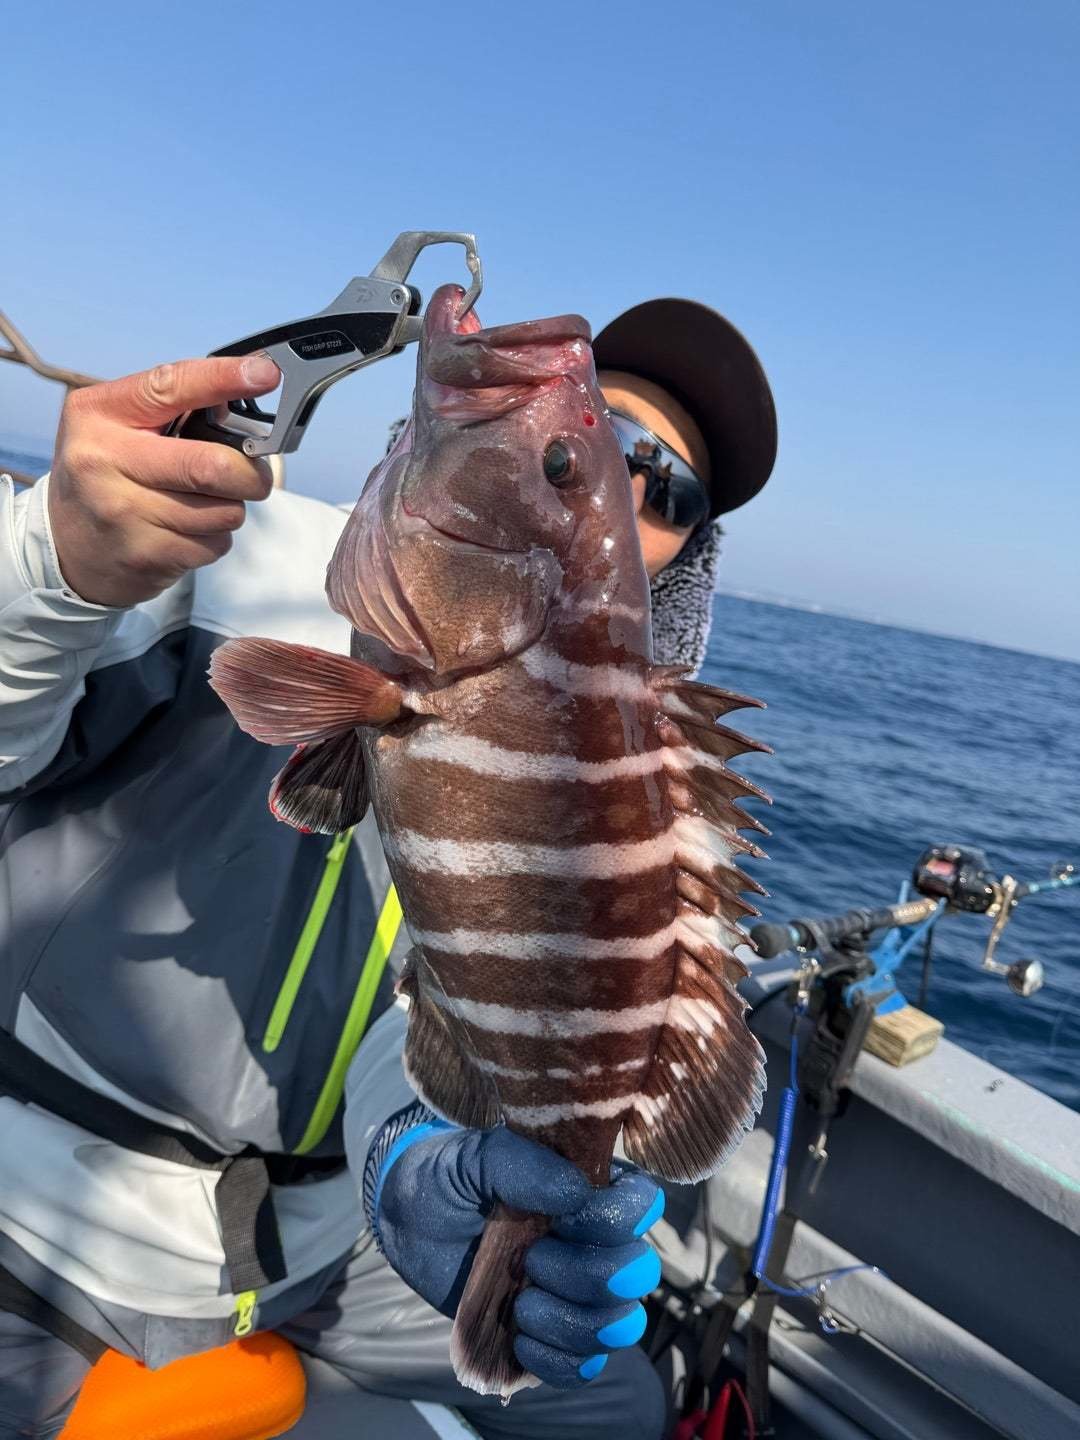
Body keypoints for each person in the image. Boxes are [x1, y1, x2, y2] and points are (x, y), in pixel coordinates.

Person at [0, 296, 776, 1438]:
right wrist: (52, 563)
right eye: (600, 443)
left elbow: (441, 986)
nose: (628, 477)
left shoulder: (623, 776)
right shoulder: (220, 546)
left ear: (672, 550)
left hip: (322, 1243)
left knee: (619, 1404)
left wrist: (413, 1154)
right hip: (47, 1211)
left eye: (670, 491)